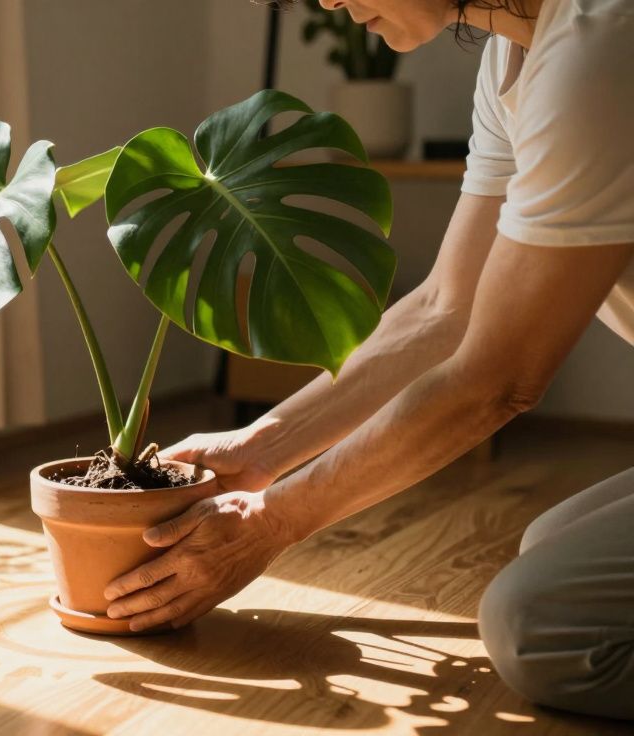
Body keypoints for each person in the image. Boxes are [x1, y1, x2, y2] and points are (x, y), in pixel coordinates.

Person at [102, 0, 634, 720]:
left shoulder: (598, 52)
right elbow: (446, 306)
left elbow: (497, 381)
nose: (324, 1)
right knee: (554, 551)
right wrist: (263, 446)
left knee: (540, 627)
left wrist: (271, 522)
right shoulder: (514, 58)